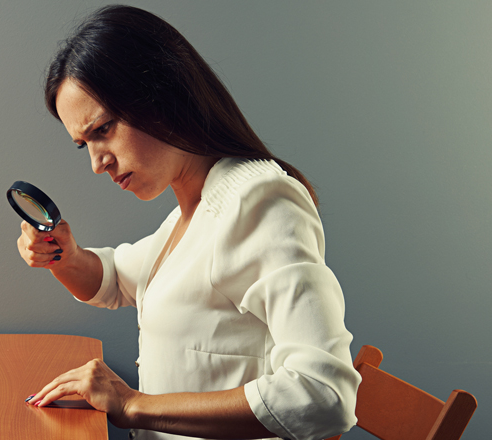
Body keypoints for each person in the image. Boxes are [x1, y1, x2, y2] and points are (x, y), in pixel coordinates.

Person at [18, 5, 360, 440]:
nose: (97, 163)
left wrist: (134, 404)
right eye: (83, 144)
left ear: (161, 97)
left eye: (102, 129)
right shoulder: (196, 208)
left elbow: (324, 395)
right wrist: (63, 257)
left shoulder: (257, 201)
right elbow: (118, 279)